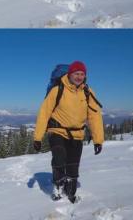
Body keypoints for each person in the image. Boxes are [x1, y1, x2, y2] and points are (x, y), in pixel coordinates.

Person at [33, 61, 104, 203]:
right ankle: (58, 187)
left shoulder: (88, 92)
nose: (79, 77)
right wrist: (38, 137)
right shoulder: (58, 89)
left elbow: (94, 116)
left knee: (73, 165)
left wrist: (98, 140)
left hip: (77, 134)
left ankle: (71, 191)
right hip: (57, 131)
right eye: (76, 73)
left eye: (82, 74)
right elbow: (44, 113)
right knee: (59, 157)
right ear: (70, 74)